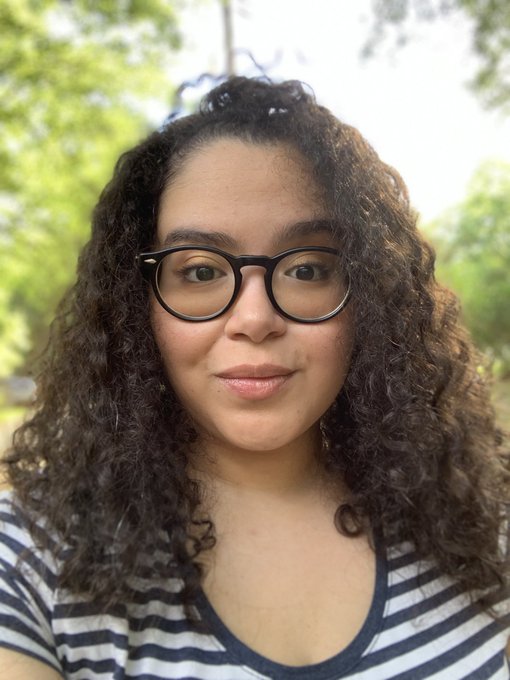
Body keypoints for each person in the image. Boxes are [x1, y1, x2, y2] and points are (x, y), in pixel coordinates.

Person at [0, 76, 508, 680]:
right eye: (199, 271)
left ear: (370, 298)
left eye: (308, 268)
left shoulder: (476, 516)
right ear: (138, 306)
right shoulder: (28, 560)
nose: (255, 319)